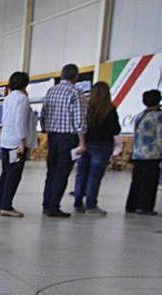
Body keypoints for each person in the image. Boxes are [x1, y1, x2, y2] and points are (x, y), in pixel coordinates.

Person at [40, 63, 87, 218]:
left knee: (51, 172)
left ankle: (46, 204)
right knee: (61, 173)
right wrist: (82, 142)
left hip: (53, 136)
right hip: (68, 138)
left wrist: (47, 132)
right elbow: (79, 119)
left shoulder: (51, 91)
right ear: (76, 77)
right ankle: (54, 206)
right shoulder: (76, 92)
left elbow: (44, 114)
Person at [73, 81, 120, 215]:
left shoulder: (86, 109)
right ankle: (91, 205)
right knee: (95, 176)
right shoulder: (110, 109)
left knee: (81, 174)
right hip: (102, 146)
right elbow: (116, 129)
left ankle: (78, 202)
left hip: (85, 144)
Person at [0, 71, 36, 218]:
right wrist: (22, 142)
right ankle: (6, 206)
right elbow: (20, 121)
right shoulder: (22, 99)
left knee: (6, 173)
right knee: (14, 174)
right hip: (16, 143)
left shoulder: (8, 98)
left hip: (6, 141)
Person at [126, 89, 162, 215]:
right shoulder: (158, 116)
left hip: (138, 153)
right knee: (149, 182)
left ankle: (132, 205)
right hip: (152, 154)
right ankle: (145, 207)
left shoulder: (140, 115)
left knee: (136, 181)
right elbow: (160, 137)